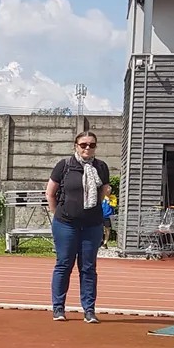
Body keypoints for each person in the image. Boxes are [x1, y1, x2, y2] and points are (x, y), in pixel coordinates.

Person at [47, 131, 111, 324]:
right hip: (65, 224)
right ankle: (58, 308)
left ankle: (89, 310)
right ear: (76, 146)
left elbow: (103, 193)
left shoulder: (101, 167)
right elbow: (50, 193)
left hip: (92, 225)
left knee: (88, 268)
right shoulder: (65, 165)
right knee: (64, 264)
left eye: (91, 145)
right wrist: (58, 214)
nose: (87, 148)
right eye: (83, 144)